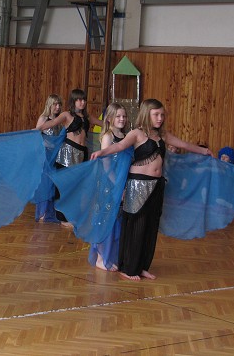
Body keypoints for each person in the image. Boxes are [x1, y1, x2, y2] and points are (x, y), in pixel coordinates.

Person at [90, 99, 212, 281]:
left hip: (157, 185)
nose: (160, 118)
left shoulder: (162, 136)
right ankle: (128, 267)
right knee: (136, 226)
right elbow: (119, 146)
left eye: (162, 115)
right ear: (147, 114)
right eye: (156, 114)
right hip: (137, 184)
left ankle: (141, 267)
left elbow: (184, 145)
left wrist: (203, 152)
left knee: (150, 227)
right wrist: (102, 152)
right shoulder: (137, 133)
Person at [36, 89, 102, 224]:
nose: (82, 102)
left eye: (84, 99)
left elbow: (104, 123)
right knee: (64, 186)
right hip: (67, 153)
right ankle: (62, 218)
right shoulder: (66, 115)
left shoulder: (87, 117)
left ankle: (73, 215)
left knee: (77, 186)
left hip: (82, 153)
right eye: (79, 99)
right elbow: (50, 124)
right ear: (73, 101)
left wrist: (117, 122)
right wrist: (34, 130)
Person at [89, 102, 128, 271]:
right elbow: (106, 164)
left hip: (121, 181)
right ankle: (100, 257)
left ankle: (110, 255)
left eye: (124, 116)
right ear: (110, 118)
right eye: (118, 116)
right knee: (105, 219)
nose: (122, 119)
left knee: (116, 219)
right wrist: (117, 185)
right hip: (109, 184)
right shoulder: (108, 136)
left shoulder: (125, 135)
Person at [34, 94, 63, 223]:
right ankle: (42, 213)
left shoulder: (59, 121)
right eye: (55, 104)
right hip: (45, 156)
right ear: (49, 105)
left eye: (59, 104)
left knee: (52, 183)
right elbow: (36, 135)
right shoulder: (44, 118)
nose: (57, 107)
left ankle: (49, 212)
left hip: (55, 156)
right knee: (44, 184)